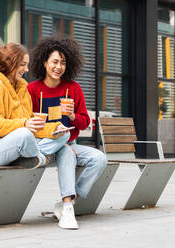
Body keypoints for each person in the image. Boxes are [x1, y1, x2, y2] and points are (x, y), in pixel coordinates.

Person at [28, 35, 107, 229]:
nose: (59, 67)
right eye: (54, 61)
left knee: (99, 159)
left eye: (63, 62)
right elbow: (27, 122)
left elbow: (84, 122)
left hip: (69, 145)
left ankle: (68, 203)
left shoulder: (73, 88)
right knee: (66, 151)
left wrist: (72, 116)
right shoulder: (31, 89)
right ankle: (68, 210)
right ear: (44, 62)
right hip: (44, 146)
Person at [0, 43, 69, 168]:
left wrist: (54, 129)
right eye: (23, 65)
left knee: (64, 134)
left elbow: (29, 124)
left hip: (16, 144)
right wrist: (24, 124)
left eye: (27, 65)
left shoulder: (21, 87)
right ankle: (39, 157)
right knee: (24, 134)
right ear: (8, 63)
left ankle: (32, 157)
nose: (27, 69)